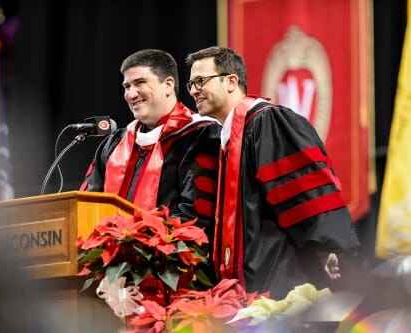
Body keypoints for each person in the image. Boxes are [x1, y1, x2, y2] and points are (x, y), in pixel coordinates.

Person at [185, 46, 360, 299]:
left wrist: (328, 246)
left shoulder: (267, 122)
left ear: (231, 81)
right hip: (249, 287)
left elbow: (304, 191)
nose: (193, 90)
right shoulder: (227, 139)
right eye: (191, 83)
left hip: (281, 279)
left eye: (200, 81)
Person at [80, 49, 221, 240]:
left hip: (171, 263)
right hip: (109, 264)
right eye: (127, 86)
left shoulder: (199, 135)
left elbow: (195, 216)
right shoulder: (114, 144)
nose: (131, 94)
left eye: (139, 83)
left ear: (168, 85)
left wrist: (141, 245)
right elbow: (87, 206)